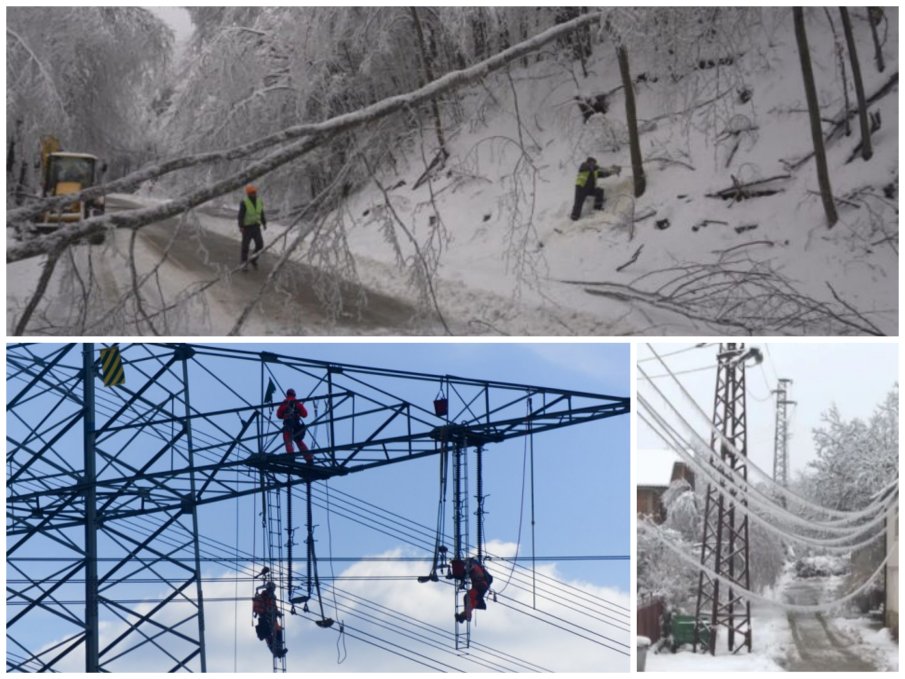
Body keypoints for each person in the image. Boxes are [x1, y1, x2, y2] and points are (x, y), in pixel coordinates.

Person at [276, 388, 312, 463]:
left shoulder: (285, 403)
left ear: (287, 394)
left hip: (288, 424)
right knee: (299, 441)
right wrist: (298, 411)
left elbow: (279, 415)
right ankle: (309, 458)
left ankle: (291, 456)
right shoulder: (297, 403)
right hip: (296, 425)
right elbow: (305, 414)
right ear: (294, 394)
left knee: (287, 440)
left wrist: (285, 412)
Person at [455, 557, 493, 623]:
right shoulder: (473, 568)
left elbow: (471, 569)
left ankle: (464, 616)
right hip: (479, 587)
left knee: (468, 597)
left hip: (480, 586)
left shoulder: (475, 567)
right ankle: (464, 616)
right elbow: (466, 573)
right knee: (467, 597)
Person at [238, 184, 266, 271]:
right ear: (248, 193)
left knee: (260, 245)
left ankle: (253, 259)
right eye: (251, 193)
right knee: (245, 246)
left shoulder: (259, 201)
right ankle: (244, 263)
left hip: (256, 227)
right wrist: (241, 226)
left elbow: (261, 213)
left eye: (254, 192)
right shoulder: (244, 202)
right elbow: (240, 215)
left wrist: (264, 223)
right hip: (247, 228)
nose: (254, 194)